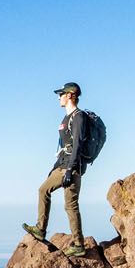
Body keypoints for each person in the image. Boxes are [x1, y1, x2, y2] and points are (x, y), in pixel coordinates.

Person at [25, 81, 85, 244]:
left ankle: (42, 230)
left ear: (70, 95)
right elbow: (65, 146)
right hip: (63, 165)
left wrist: (69, 170)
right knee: (64, 202)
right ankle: (74, 242)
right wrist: (54, 169)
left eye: (62, 94)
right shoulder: (67, 117)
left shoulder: (78, 117)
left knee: (67, 204)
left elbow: (77, 145)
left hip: (71, 167)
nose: (59, 97)